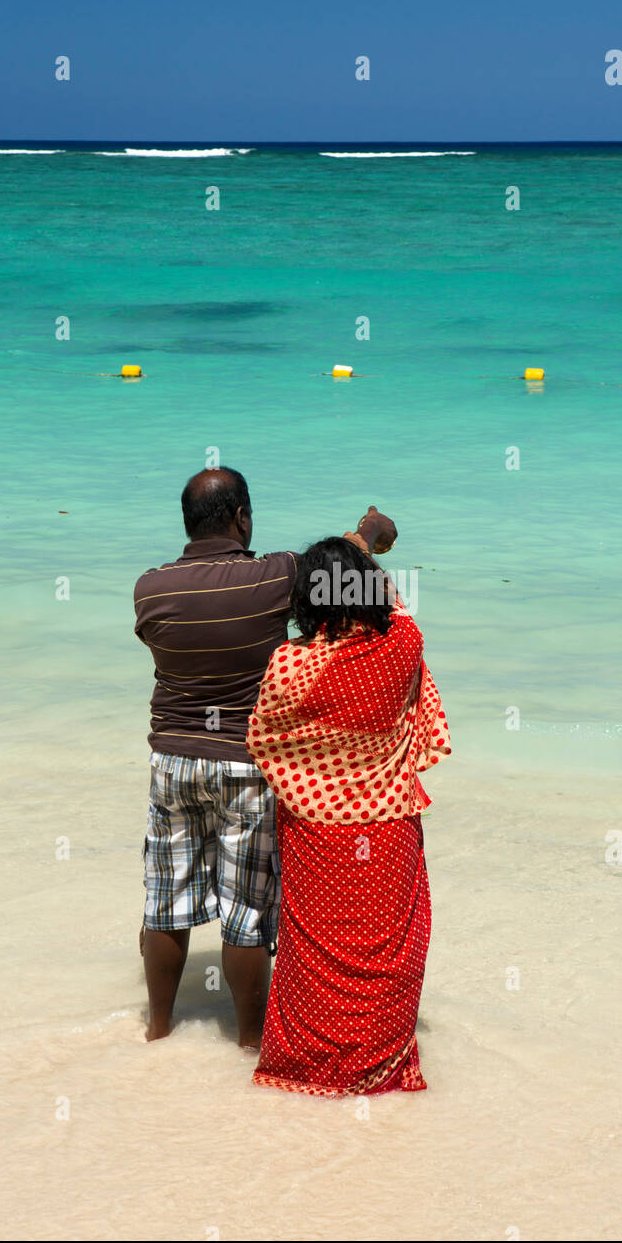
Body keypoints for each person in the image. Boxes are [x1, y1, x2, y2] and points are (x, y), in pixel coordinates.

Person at [133, 468, 396, 1045]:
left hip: (172, 761)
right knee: (246, 911)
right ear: (241, 518)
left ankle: (157, 1031)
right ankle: (251, 1041)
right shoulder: (275, 572)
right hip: (246, 764)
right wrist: (371, 531)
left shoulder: (150, 586)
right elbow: (342, 572)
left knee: (165, 901)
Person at [246, 536, 451, 1095]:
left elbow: (264, 740)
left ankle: (305, 1069)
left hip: (316, 835)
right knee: (388, 954)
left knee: (313, 953)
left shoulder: (289, 666)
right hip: (387, 829)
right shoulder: (403, 643)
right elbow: (392, 598)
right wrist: (365, 550)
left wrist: (345, 555)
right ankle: (381, 1070)